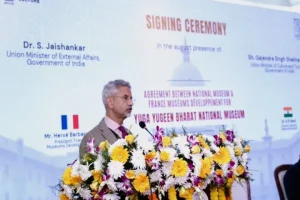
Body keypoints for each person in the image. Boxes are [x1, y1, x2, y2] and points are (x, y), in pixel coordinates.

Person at [79, 79, 134, 159]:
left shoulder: (129, 134)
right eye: (125, 98)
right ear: (110, 102)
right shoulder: (91, 139)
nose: (131, 103)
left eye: (131, 98)